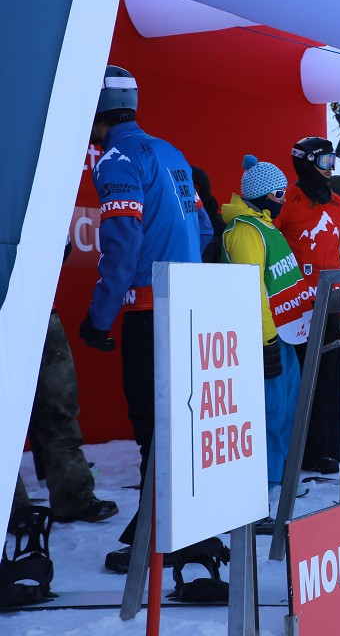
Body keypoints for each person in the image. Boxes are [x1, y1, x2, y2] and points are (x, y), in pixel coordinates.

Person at [79, 65, 214, 569]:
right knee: (180, 421)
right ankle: (167, 521)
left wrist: (99, 317)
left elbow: (121, 241)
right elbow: (202, 229)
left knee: (151, 424)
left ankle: (163, 532)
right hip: (186, 308)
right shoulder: (170, 151)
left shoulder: (116, 158)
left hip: (146, 312)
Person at [274, 136, 340, 474]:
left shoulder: (339, 204)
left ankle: (326, 449)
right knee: (298, 383)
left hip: (330, 307)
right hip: (294, 310)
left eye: (333, 162)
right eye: (325, 162)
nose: (331, 169)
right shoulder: (289, 201)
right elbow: (268, 244)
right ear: (307, 162)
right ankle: (298, 450)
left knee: (330, 379)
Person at [221, 155, 307, 500]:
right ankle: (267, 482)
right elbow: (252, 289)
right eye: (279, 193)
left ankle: (282, 473)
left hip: (286, 333)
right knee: (271, 410)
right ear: (263, 194)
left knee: (288, 407)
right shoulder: (245, 231)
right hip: (267, 337)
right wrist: (266, 339)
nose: (284, 198)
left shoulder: (266, 225)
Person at [11, 299, 118, 525]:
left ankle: (74, 497)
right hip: (9, 309)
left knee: (60, 408)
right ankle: (13, 508)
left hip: (41, 308)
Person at [191, 166, 226, 264]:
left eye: (193, 188)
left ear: (204, 189)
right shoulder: (169, 221)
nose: (189, 193)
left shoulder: (220, 228)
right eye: (184, 187)